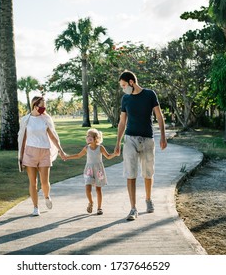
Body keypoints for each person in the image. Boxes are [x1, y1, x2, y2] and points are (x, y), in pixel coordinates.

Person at [114, 70, 167, 221]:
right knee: (130, 173)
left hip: (148, 140)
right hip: (130, 139)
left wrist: (163, 136)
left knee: (148, 173)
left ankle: (148, 199)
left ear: (131, 82)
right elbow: (122, 122)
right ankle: (133, 208)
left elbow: (159, 116)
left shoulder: (150, 94)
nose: (123, 88)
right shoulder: (125, 99)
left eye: (124, 85)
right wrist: (118, 142)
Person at [18, 96, 66, 216]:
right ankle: (35, 207)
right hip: (29, 153)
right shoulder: (26, 120)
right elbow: (22, 138)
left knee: (45, 182)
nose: (44, 108)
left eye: (45, 106)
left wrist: (61, 150)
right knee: (33, 182)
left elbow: (53, 136)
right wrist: (21, 156)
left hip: (44, 152)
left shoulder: (46, 118)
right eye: (42, 105)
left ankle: (46, 196)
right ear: (35, 106)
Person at [65, 128, 116, 215]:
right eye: (87, 136)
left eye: (90, 136)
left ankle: (99, 208)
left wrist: (115, 154)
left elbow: (108, 156)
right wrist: (67, 157)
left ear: (96, 138)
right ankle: (91, 202)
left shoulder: (100, 147)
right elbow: (78, 155)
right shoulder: (86, 148)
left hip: (98, 170)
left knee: (98, 189)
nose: (88, 137)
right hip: (89, 170)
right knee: (87, 188)